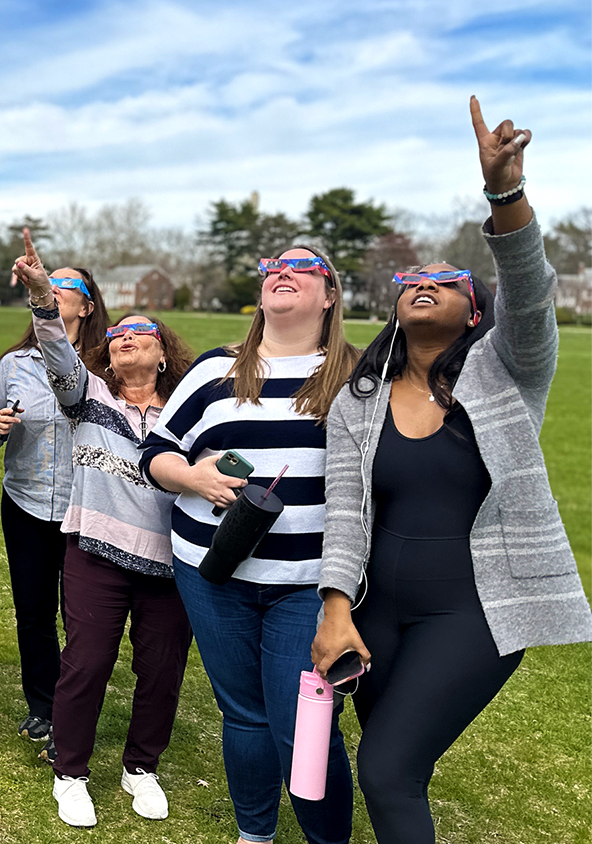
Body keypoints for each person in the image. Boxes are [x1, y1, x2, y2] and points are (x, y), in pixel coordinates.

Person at [312, 98, 592, 844]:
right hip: (376, 611)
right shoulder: (358, 399)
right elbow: (345, 510)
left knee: (386, 770)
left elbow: (531, 298)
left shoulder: (510, 372)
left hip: (475, 612)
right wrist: (337, 608)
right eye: (411, 278)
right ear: (397, 305)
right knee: (402, 767)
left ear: (476, 311)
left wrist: (503, 192)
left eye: (447, 277)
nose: (423, 281)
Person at [140, 242, 359, 844]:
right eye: (272, 266)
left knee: (303, 726)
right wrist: (194, 476)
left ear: (330, 294)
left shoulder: (357, 379)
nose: (282, 271)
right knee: (242, 714)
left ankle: (325, 839)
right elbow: (155, 453)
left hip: (309, 586)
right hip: (211, 575)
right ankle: (254, 833)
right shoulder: (215, 371)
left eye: (303, 265)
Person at [11, 232, 198, 826]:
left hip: (170, 562)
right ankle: (70, 772)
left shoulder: (191, 408)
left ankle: (140, 767)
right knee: (85, 663)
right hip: (94, 551)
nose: (124, 339)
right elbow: (56, 352)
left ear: (164, 352)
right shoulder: (85, 394)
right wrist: (45, 296)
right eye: (117, 335)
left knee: (161, 670)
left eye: (139, 333)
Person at [0, 265, 107, 745]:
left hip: (87, 507)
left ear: (86, 306)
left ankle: (75, 707)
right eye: (45, 285)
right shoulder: (14, 363)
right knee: (33, 612)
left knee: (82, 617)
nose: (51, 291)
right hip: (27, 503)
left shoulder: (105, 363)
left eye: (65, 287)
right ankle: (43, 705)